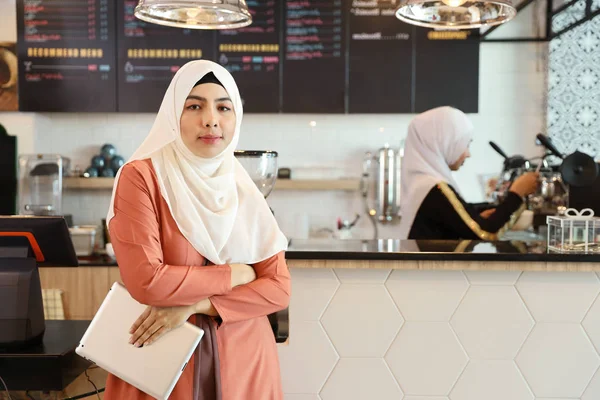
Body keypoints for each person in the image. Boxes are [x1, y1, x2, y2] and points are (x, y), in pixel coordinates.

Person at [105, 60, 290, 399]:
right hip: (161, 366)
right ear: (173, 115)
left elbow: (277, 289)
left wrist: (194, 305)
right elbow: (148, 282)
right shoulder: (142, 177)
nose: (211, 119)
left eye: (224, 107)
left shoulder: (241, 188)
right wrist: (236, 273)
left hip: (245, 364)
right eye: (194, 106)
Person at [398, 106, 539, 240]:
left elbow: (455, 215)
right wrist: (517, 193)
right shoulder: (434, 188)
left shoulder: (424, 182)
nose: (468, 154)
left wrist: (477, 215)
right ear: (445, 143)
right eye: (465, 145)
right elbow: (484, 232)